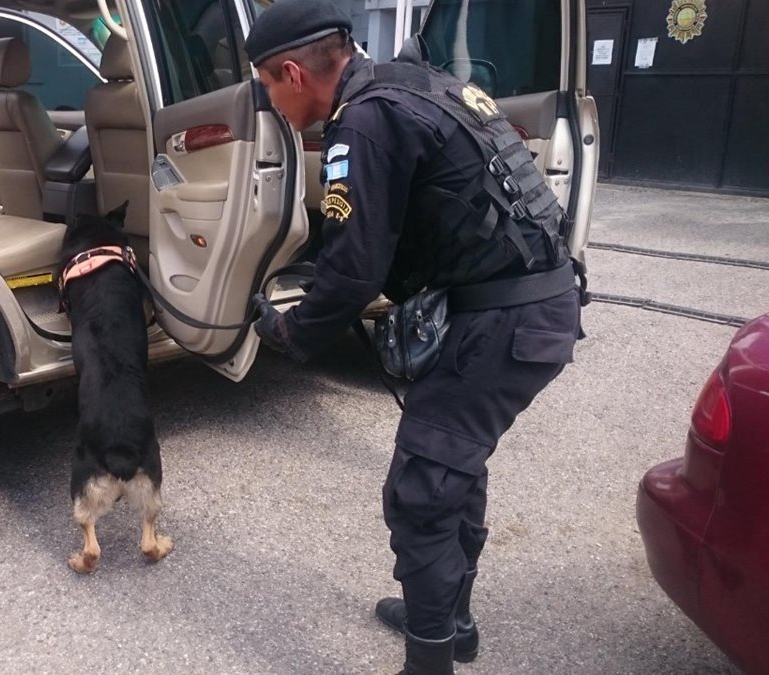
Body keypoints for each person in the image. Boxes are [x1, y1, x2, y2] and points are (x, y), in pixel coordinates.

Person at [244, 1, 586, 673]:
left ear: (292, 71)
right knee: (452, 463)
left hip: (503, 320)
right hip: (531, 303)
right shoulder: (417, 82)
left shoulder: (362, 125)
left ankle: (430, 659)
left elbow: (351, 271)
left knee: (422, 491)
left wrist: (289, 331)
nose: (273, 105)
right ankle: (451, 622)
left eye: (268, 89)